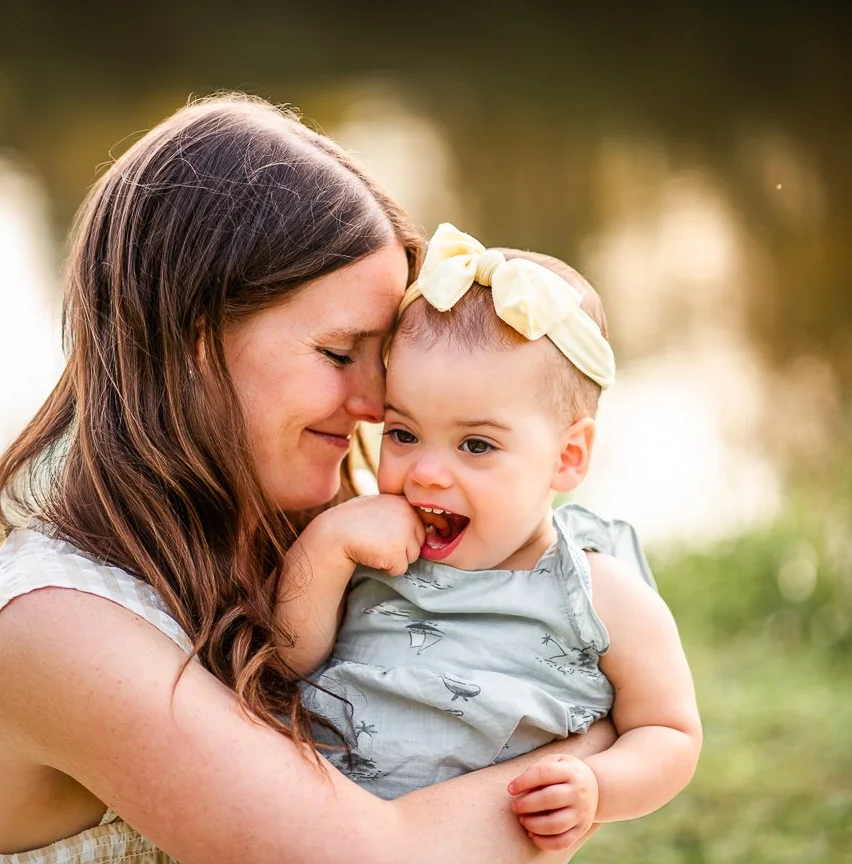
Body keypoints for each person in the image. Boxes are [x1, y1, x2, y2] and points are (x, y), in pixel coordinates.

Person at [0, 97, 615, 863]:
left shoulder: (306, 537)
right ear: (199, 342)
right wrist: (599, 747)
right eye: (340, 353)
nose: (377, 403)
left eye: (383, 358)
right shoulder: (58, 627)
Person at [281, 223, 704, 852]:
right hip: (320, 836)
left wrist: (597, 785)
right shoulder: (371, 550)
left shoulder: (599, 593)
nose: (426, 472)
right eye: (403, 434)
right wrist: (326, 547)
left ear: (567, 456)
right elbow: (287, 662)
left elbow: (669, 733)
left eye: (476, 445)